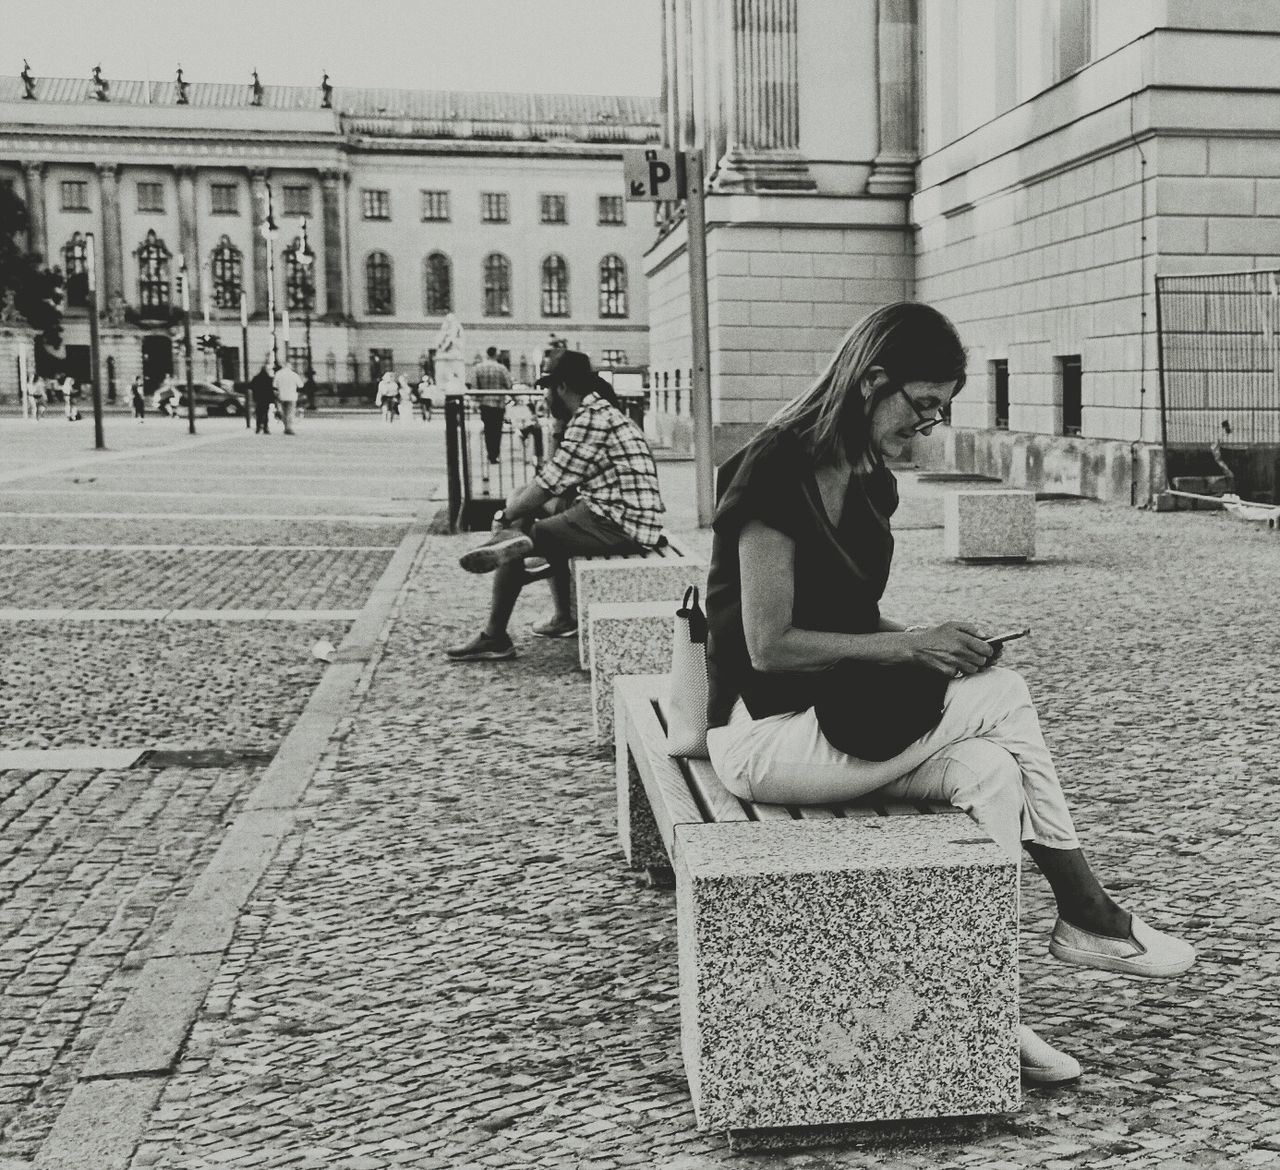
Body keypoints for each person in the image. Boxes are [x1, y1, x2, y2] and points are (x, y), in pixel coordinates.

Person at [703, 301, 1195, 1084]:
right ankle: (1087, 910)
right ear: (872, 382)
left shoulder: (868, 483)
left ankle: (987, 1007)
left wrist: (936, 648)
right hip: (762, 739)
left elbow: (855, 623)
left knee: (993, 773)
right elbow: (771, 645)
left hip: (834, 730)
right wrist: (912, 644)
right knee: (1006, 695)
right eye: (923, 404)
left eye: (943, 408)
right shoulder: (774, 469)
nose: (929, 425)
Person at [446, 349, 665, 661]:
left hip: (618, 523)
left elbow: (548, 483)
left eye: (546, 389)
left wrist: (504, 515)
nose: (544, 397)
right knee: (528, 516)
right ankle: (560, 615)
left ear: (561, 387)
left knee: (516, 536)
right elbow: (551, 481)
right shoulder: (599, 413)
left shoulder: (590, 420)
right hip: (621, 515)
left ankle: (495, 635)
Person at [472, 346, 512, 472]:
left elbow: (474, 385)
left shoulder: (478, 368)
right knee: (497, 429)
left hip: (485, 403)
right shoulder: (502, 368)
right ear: (496, 354)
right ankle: (495, 454)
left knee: (488, 429)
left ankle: (490, 453)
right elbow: (509, 384)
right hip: (498, 403)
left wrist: (478, 398)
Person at [273, 358, 303, 435]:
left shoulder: (278, 374)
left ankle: (286, 427)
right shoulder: (294, 374)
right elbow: (300, 385)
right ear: (290, 367)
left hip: (282, 396)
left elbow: (274, 385)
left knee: (284, 412)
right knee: (290, 412)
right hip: (292, 396)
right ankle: (289, 427)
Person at [250, 361, 275, 434]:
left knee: (259, 413)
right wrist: (272, 399)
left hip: (258, 398)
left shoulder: (256, 378)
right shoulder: (268, 379)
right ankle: (265, 428)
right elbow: (271, 389)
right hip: (266, 399)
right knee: (265, 413)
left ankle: (258, 427)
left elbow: (251, 386)